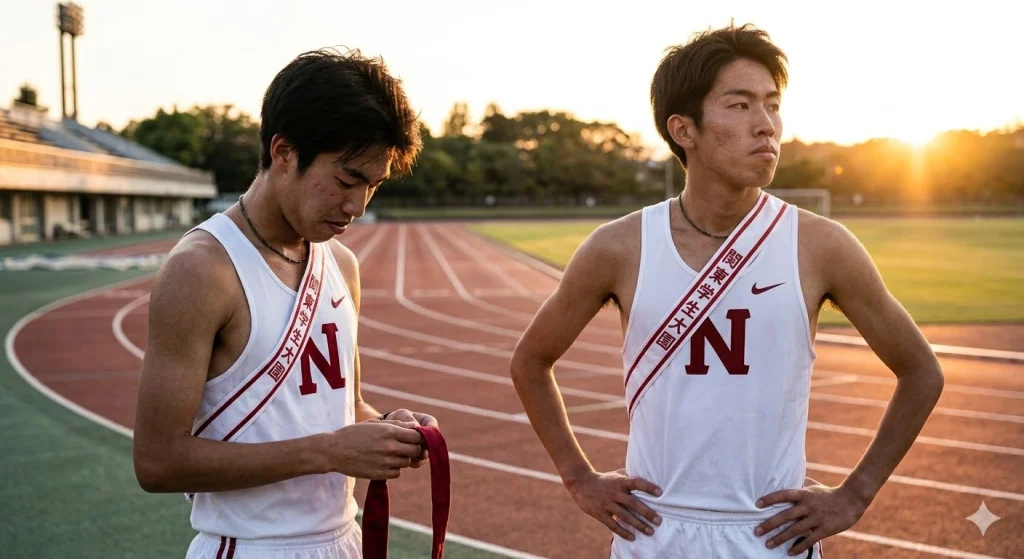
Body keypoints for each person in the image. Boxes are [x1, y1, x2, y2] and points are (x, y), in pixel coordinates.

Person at [509, 24, 944, 558]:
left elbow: (922, 370)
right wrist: (579, 478)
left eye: (773, 105)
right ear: (683, 129)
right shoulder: (619, 247)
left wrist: (854, 495)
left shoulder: (821, 245)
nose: (766, 126)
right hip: (654, 536)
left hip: (771, 537)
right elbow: (531, 360)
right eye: (740, 106)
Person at [132, 48, 439, 559]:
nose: (358, 207)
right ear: (283, 152)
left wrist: (385, 426)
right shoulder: (202, 269)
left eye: (373, 185)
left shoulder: (342, 265)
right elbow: (157, 461)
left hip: (344, 540)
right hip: (250, 545)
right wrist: (326, 452)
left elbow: (343, 407)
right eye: (347, 180)